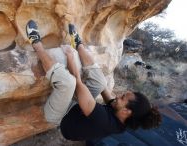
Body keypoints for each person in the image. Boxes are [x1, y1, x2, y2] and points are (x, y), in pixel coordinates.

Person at [26, 20, 162, 141]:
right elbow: (104, 90)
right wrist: (90, 64)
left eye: (123, 97)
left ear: (126, 112)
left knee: (68, 82)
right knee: (101, 83)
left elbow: (78, 81)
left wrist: (70, 58)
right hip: (77, 108)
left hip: (60, 117)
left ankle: (36, 43)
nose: (118, 96)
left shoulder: (105, 122)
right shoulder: (121, 115)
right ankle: (78, 44)